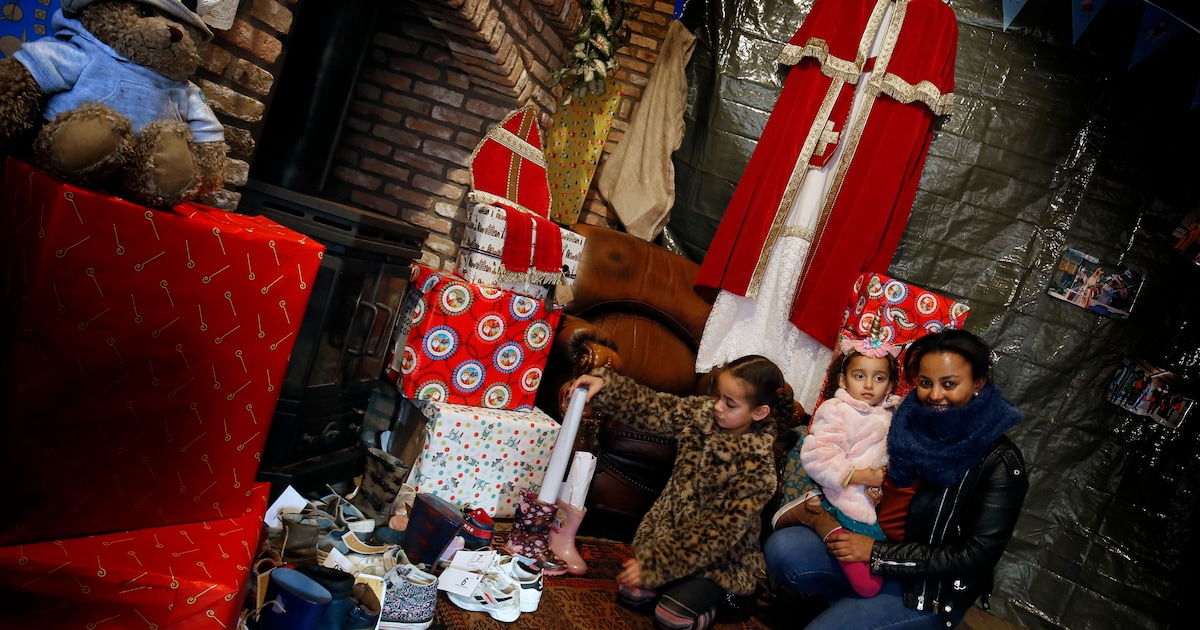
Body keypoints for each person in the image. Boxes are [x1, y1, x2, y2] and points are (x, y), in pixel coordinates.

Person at [763, 330, 1028, 629]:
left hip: (923, 585)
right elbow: (845, 461)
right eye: (926, 383)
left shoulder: (999, 461)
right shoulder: (903, 419)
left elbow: (975, 556)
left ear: (978, 383)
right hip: (871, 538)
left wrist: (876, 553)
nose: (935, 394)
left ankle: (881, 615)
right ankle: (859, 604)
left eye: (950, 383)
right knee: (784, 548)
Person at [570, 355, 798, 630]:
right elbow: (654, 407)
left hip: (718, 561)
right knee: (632, 594)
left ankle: (719, 599)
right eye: (717, 396)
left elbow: (715, 533)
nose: (717, 407)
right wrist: (606, 386)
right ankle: (674, 585)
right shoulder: (702, 414)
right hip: (669, 536)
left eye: (730, 403)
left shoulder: (758, 471)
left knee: (672, 618)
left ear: (759, 412)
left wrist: (658, 564)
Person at [794, 343, 903, 597]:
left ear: (889, 385)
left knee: (881, 578)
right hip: (848, 500)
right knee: (868, 586)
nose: (868, 385)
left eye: (878, 378)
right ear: (843, 380)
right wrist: (859, 476)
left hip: (875, 501)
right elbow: (816, 455)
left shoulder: (890, 413)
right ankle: (825, 520)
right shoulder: (838, 410)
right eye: (859, 376)